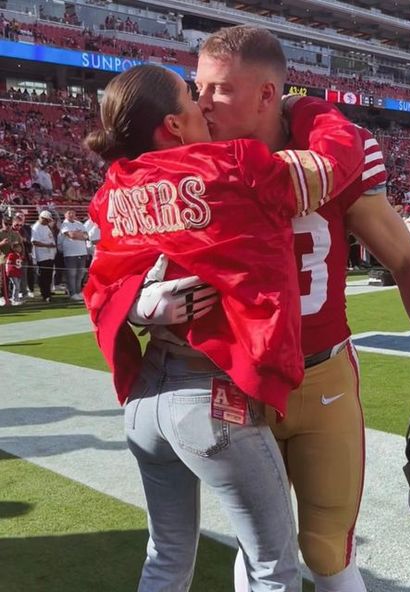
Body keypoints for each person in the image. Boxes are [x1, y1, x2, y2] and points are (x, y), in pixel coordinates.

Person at [144, 25, 410, 592]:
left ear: (268, 94)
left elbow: (407, 260)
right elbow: (127, 260)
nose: (201, 102)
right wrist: (141, 305)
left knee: (326, 549)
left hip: (323, 378)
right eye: (198, 87)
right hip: (237, 383)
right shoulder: (191, 157)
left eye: (219, 89)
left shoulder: (331, 153)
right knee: (261, 547)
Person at [83, 64, 366, 592]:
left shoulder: (114, 187)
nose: (203, 105)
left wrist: (140, 308)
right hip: (210, 400)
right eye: (192, 97)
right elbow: (334, 164)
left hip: (144, 401)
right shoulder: (231, 167)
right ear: (172, 124)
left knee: (165, 558)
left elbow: (99, 289)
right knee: (271, 569)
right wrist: (309, 109)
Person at [60, 209, 88, 301]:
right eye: (69, 213)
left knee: (80, 274)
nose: (71, 214)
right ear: (65, 215)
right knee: (72, 274)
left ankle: (78, 291)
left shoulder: (79, 223)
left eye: (73, 212)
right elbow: (71, 235)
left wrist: (78, 235)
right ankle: (72, 292)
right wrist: (80, 235)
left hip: (82, 252)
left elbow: (87, 235)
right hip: (70, 253)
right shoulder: (64, 224)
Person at [31, 210, 56, 303]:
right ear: (42, 218)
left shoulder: (46, 226)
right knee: (44, 276)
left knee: (49, 276)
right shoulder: (36, 227)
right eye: (47, 220)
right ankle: (45, 294)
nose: (48, 222)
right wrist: (48, 245)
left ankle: (48, 292)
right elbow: (34, 242)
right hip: (42, 255)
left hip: (50, 255)